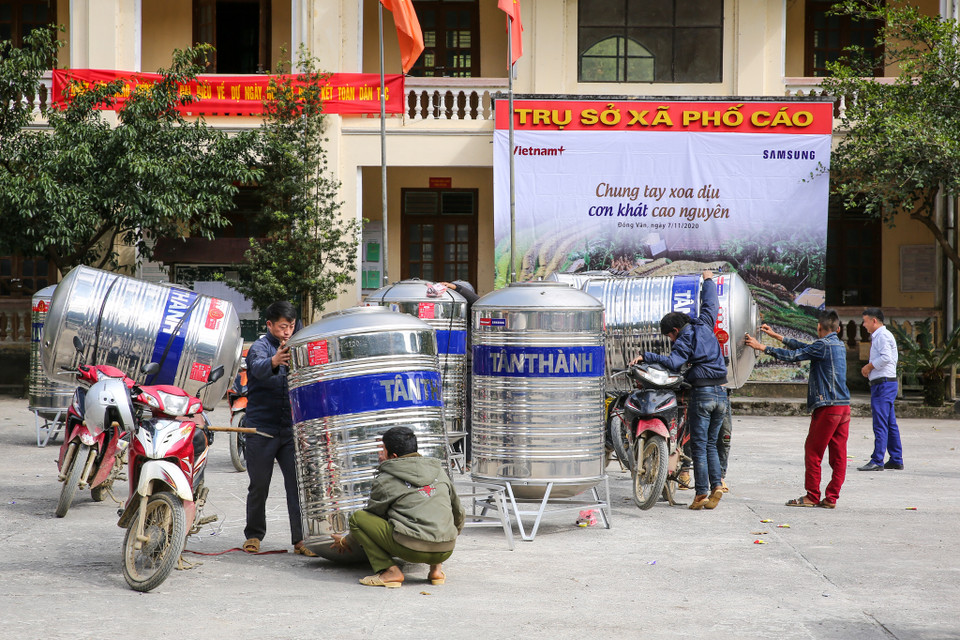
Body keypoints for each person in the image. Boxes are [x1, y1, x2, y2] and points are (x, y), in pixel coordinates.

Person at [633, 270, 728, 510]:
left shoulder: (684, 339)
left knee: (698, 444)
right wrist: (708, 280)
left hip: (703, 394)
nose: (672, 342)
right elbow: (711, 303)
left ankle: (701, 494)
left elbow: (674, 363)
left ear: (674, 331)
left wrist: (647, 355)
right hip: (721, 394)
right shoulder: (705, 323)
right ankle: (717, 485)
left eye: (670, 337)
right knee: (711, 444)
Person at [332, 426, 465, 588]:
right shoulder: (439, 472)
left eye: (383, 449)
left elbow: (372, 518)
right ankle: (436, 570)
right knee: (434, 510)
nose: (380, 454)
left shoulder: (386, 479)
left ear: (393, 456)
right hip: (446, 549)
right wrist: (447, 536)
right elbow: (458, 512)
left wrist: (346, 541)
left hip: (411, 549)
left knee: (358, 518)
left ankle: (390, 571)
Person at [745, 310, 851, 508]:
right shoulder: (838, 344)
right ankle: (831, 498)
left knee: (813, 451)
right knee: (839, 456)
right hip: (843, 407)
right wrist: (777, 336)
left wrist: (762, 347)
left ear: (819, 327)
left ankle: (812, 495)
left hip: (827, 407)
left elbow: (795, 355)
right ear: (838, 328)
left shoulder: (822, 345)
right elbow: (807, 348)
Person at [242, 301, 316, 557]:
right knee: (259, 485)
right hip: (261, 428)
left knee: (296, 485)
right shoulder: (259, 348)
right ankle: (253, 534)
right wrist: (275, 360)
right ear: (269, 325)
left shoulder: (297, 346)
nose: (287, 332)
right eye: (283, 327)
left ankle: (300, 539)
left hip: (289, 430)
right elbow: (259, 370)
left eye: (291, 326)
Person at [858, 308, 903, 471]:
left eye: (865, 321)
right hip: (886, 383)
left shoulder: (882, 336)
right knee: (890, 422)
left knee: (880, 423)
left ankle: (877, 460)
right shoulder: (882, 335)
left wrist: (868, 366)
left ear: (874, 321)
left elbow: (886, 358)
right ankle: (896, 458)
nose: (864, 325)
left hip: (883, 384)